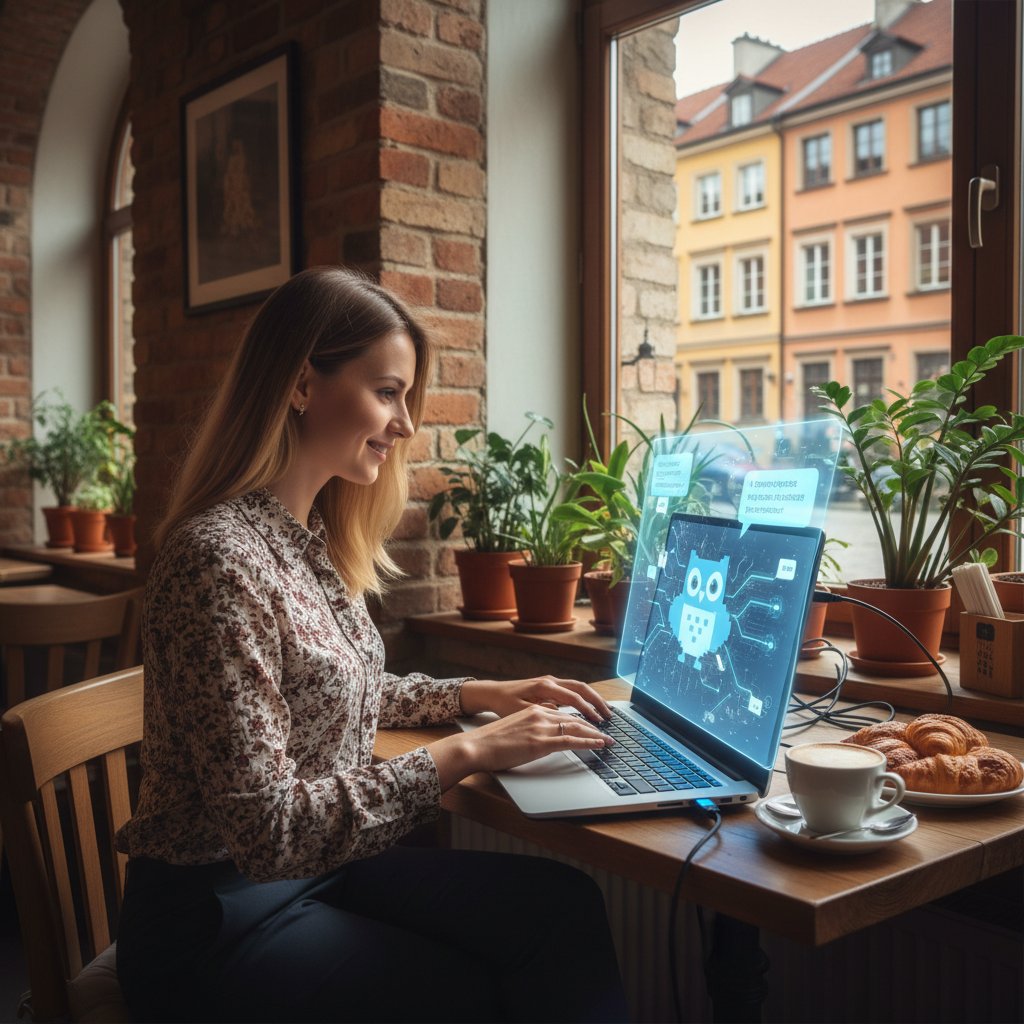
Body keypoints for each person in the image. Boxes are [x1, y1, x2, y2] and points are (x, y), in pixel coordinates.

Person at [115, 267, 629, 1023]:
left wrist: (482, 697)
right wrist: (471, 751)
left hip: (314, 876)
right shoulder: (217, 560)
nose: (406, 425)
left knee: (561, 906)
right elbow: (270, 832)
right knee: (472, 991)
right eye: (388, 393)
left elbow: (328, 689)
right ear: (300, 385)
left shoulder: (306, 539)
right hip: (216, 921)